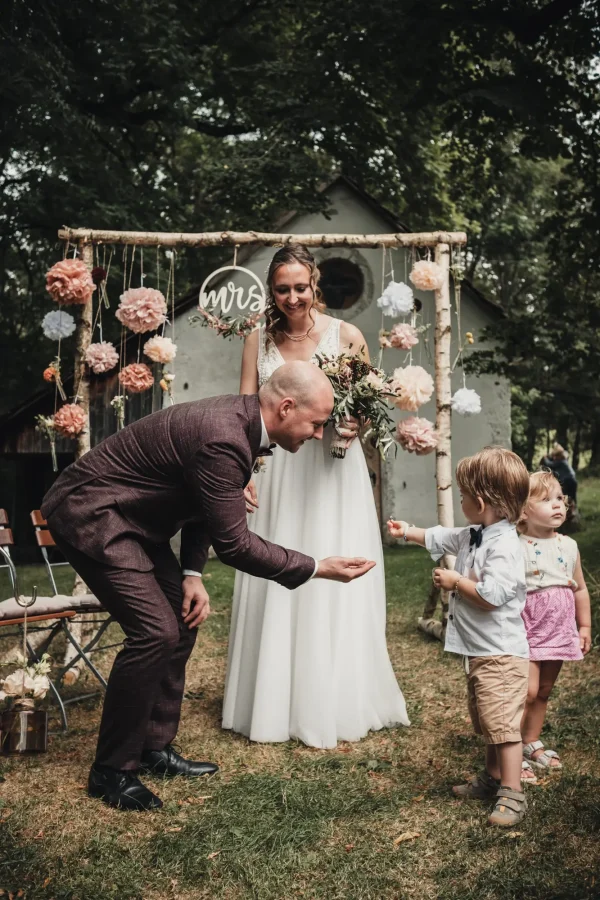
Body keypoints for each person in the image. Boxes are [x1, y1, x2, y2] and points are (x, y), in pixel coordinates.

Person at [41, 362, 376, 811]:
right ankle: (111, 771)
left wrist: (192, 575)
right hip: (93, 514)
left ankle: (152, 748)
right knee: (155, 632)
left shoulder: (240, 428)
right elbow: (235, 545)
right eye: (316, 424)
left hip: (136, 519)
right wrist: (317, 567)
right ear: (286, 407)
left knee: (180, 620)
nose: (319, 435)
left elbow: (203, 504)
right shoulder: (224, 438)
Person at [222, 244, 409, 748]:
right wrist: (242, 469)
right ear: (271, 290)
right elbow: (245, 410)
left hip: (331, 472)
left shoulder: (345, 336)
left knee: (331, 566)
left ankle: (334, 695)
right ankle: (270, 699)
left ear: (314, 283)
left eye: (300, 287)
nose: (292, 298)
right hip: (277, 469)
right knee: (276, 562)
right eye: (282, 289)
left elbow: (369, 403)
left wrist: (354, 423)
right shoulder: (257, 339)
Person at [388, 447, 531, 828]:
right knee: (489, 722)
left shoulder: (504, 547)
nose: (461, 501)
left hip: (501, 655)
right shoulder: (475, 534)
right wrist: (408, 532)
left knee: (504, 727)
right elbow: (442, 536)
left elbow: (492, 596)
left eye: (464, 495)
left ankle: (513, 792)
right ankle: (492, 779)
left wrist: (456, 581)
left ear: (481, 503)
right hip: (482, 652)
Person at [518, 471, 592, 783]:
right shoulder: (515, 544)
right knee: (526, 692)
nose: (558, 504)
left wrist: (584, 626)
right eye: (546, 499)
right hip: (527, 629)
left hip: (558, 629)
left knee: (544, 690)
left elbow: (580, 589)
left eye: (560, 498)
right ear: (523, 510)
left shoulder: (569, 545)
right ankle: (510, 749)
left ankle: (531, 741)